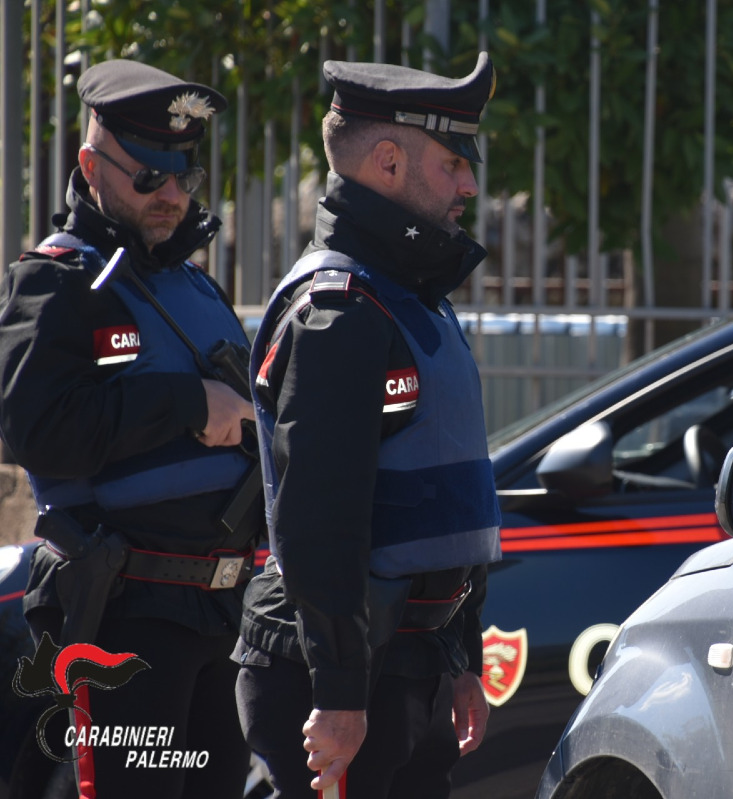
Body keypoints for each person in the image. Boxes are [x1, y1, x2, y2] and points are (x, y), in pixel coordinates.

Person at [234, 53, 502, 797]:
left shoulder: (411, 296)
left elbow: (447, 496)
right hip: (344, 673)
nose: (469, 185)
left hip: (408, 660)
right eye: (452, 163)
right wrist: (341, 692)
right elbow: (320, 520)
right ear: (388, 162)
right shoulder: (341, 310)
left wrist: (460, 660)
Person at [0, 60, 260, 797]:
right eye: (151, 177)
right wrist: (183, 402)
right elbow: (38, 430)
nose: (173, 195)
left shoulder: (194, 284)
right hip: (121, 622)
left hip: (219, 614)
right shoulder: (55, 281)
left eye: (185, 177)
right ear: (92, 164)